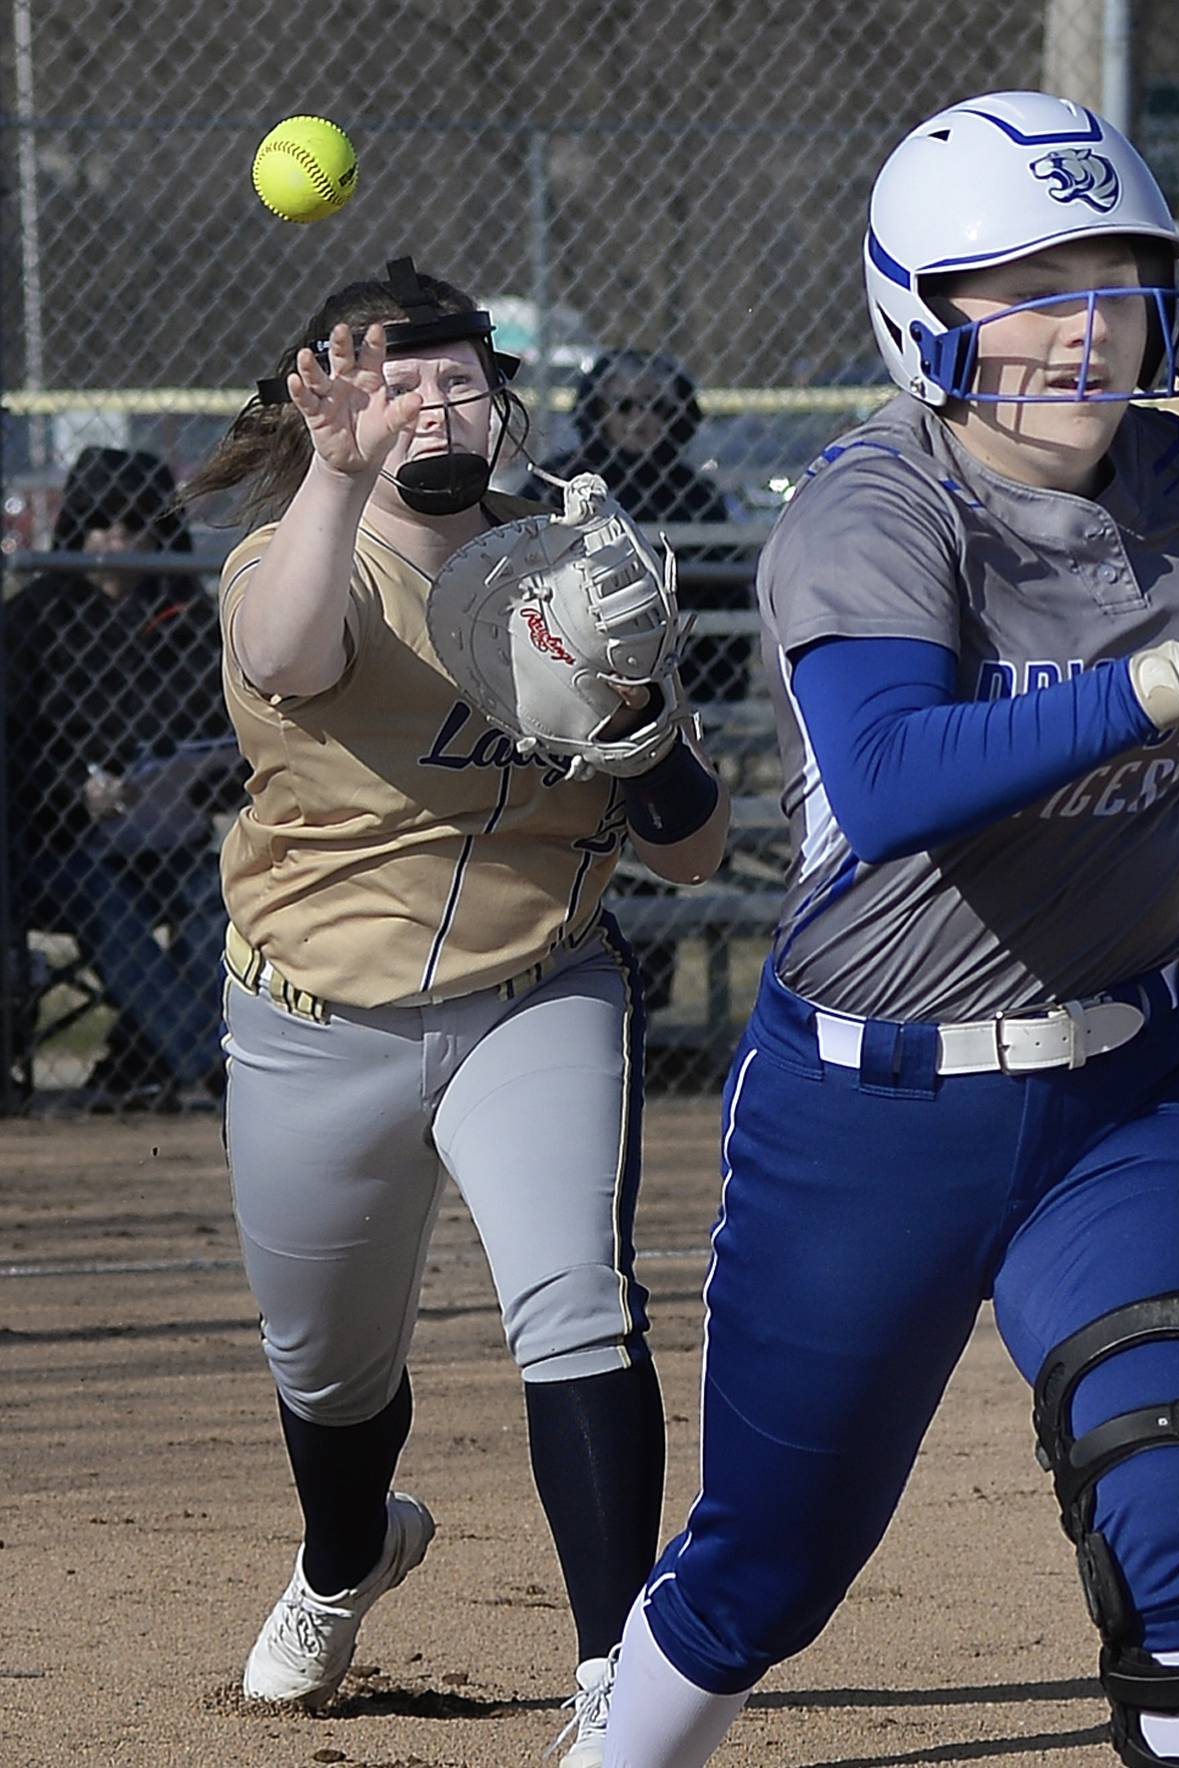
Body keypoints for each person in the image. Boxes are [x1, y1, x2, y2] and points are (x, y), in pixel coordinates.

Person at [597, 93, 1179, 1768]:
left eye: (1110, 275)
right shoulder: (876, 510)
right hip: (873, 1110)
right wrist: (1159, 682)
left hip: (1127, 1090)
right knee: (764, 1574)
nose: (1081, 324)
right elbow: (886, 776)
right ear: (921, 310)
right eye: (1025, 284)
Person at [182, 258, 728, 1768]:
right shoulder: (301, 562)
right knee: (331, 1377)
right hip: (314, 1017)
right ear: (326, 395)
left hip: (532, 990)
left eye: (461, 372)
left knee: (578, 1313)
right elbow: (288, 658)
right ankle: (348, 1558)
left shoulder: (571, 565)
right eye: (396, 374)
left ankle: (620, 1672)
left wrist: (632, 721)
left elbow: (693, 852)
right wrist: (338, 481)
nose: (441, 399)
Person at [4, 446, 235, 1109]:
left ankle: (134, 1064)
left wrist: (205, 782)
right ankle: (210, 1066)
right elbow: (16, 757)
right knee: (105, 903)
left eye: (136, 522)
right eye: (101, 521)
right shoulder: (34, 617)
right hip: (59, 845)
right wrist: (77, 791)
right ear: (76, 528)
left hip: (164, 838)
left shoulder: (186, 615)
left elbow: (220, 736)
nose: (118, 538)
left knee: (216, 907)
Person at [527, 353, 743, 1013]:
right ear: (596, 413)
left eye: (658, 406)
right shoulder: (562, 486)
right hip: (571, 706)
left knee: (661, 823)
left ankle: (643, 1001)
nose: (642, 420)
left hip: (673, 701)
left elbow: (723, 626)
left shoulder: (699, 494)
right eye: (623, 406)